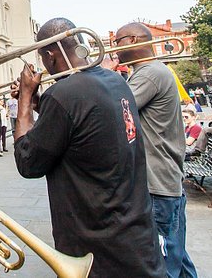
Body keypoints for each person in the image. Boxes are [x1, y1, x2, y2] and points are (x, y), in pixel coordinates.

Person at [13, 18, 164, 277]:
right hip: (135, 231)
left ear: (50, 56)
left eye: (42, 58)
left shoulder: (63, 94)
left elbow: (27, 161)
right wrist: (41, 104)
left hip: (98, 241)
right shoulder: (115, 81)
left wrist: (26, 98)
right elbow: (83, 124)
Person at [112, 21, 197, 277]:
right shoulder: (147, 72)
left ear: (134, 40)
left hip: (157, 182)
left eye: (119, 41)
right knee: (177, 258)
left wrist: (105, 74)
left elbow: (115, 110)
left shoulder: (149, 72)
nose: (115, 48)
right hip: (164, 181)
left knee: (160, 265)